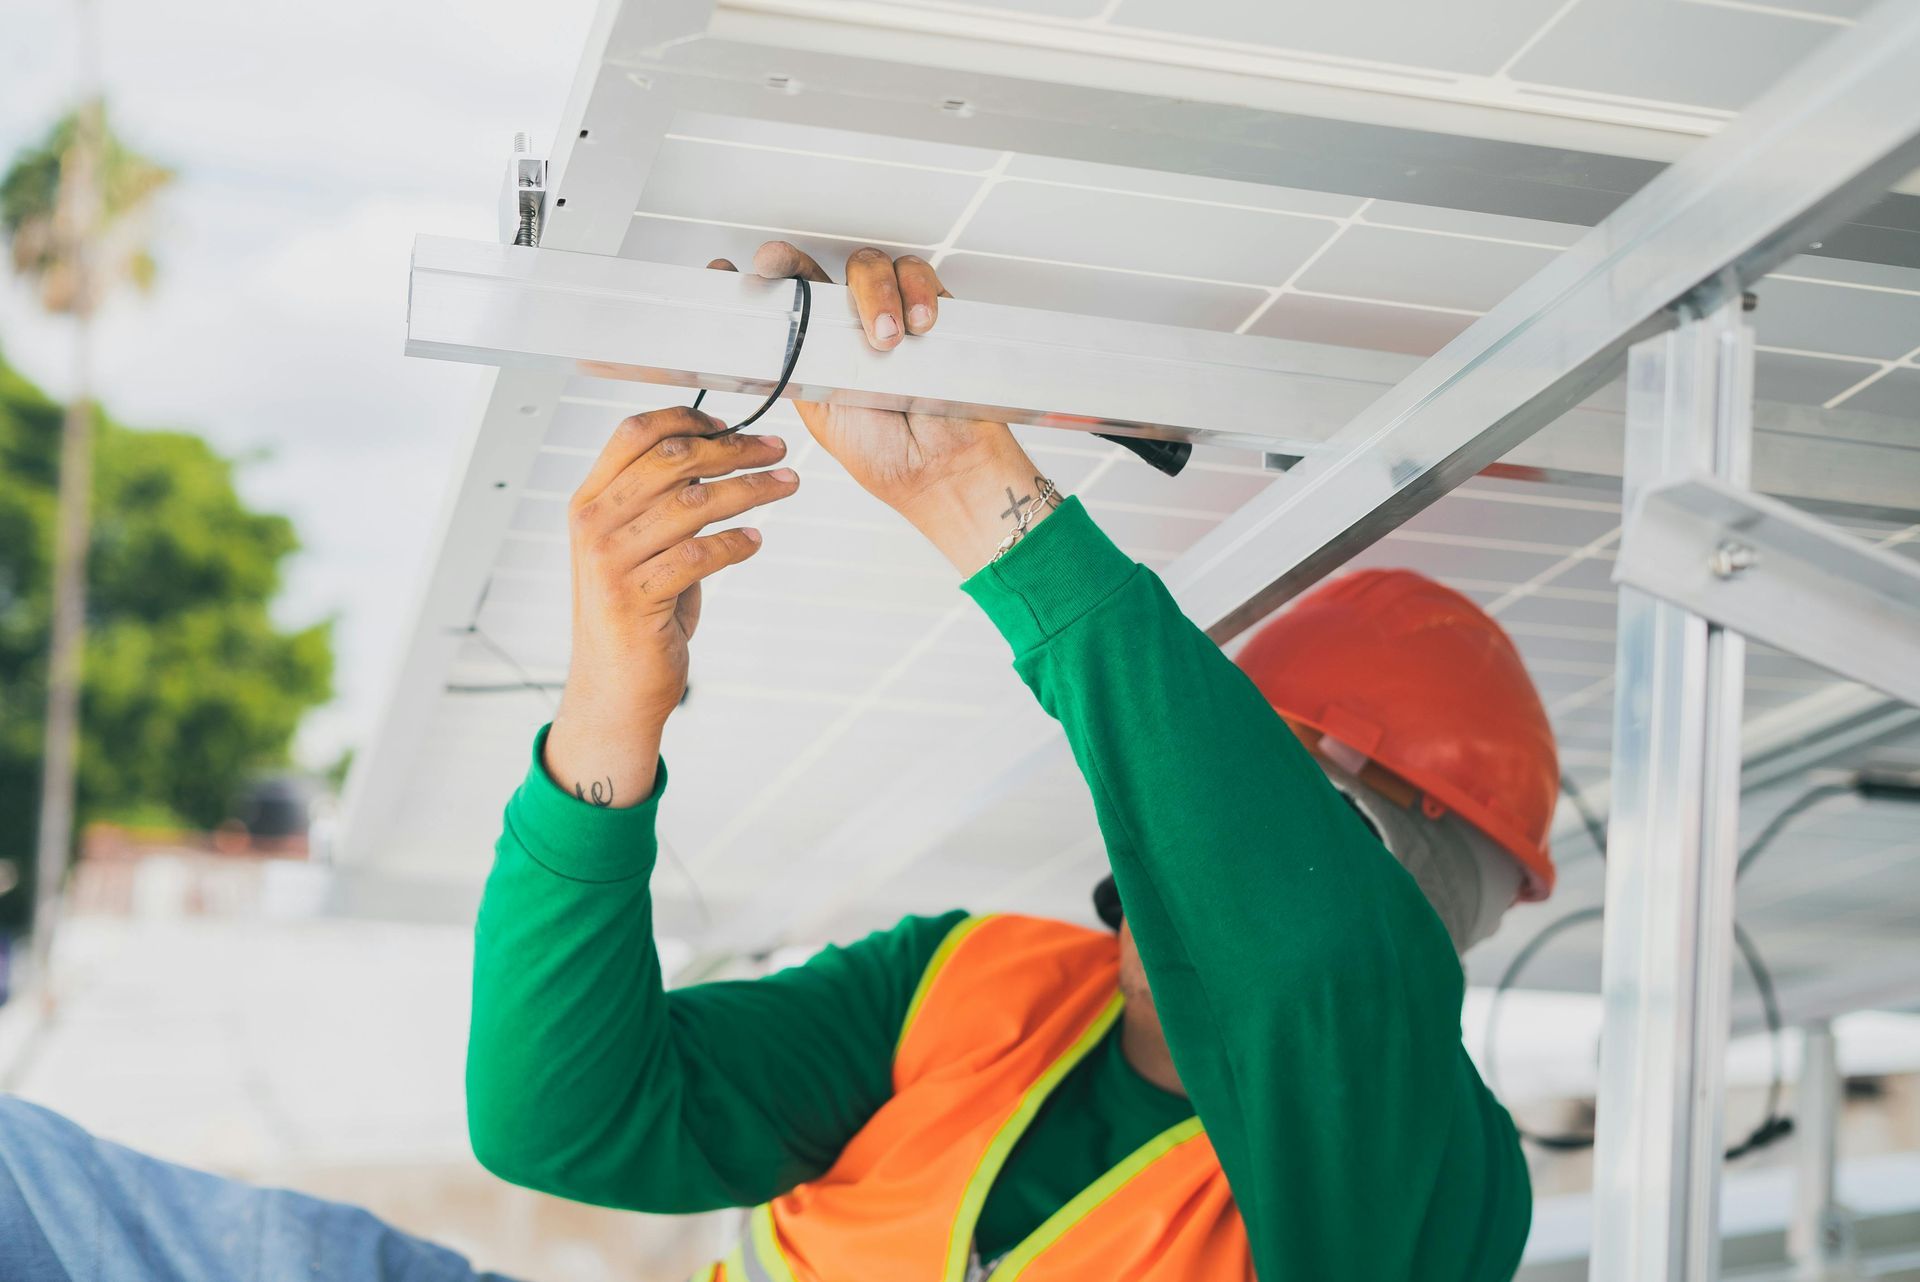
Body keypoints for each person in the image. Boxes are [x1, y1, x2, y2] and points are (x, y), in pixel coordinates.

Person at [0, 241, 1556, 1282]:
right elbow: (567, 1118)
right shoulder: (985, 988)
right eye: (1225, 769)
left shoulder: (1435, 1184)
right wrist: (611, 707)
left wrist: (975, 498)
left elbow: (1307, 960)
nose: (1198, 827)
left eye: (1291, 792)